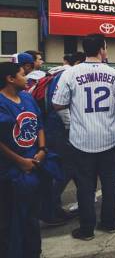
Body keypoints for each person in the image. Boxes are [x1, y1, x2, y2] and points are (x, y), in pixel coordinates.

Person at [52, 34, 115, 241]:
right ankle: (109, 223)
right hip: (109, 137)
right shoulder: (114, 74)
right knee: (109, 183)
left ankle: (87, 229)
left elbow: (57, 104)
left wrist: (70, 121)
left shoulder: (70, 73)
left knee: (85, 186)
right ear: (101, 49)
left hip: (81, 139)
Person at [0, 62, 47, 257]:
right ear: (10, 79)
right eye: (22, 74)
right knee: (10, 219)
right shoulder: (2, 103)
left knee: (31, 217)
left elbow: (39, 125)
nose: (26, 78)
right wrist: (20, 161)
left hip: (34, 167)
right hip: (10, 173)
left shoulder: (27, 98)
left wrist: (42, 149)